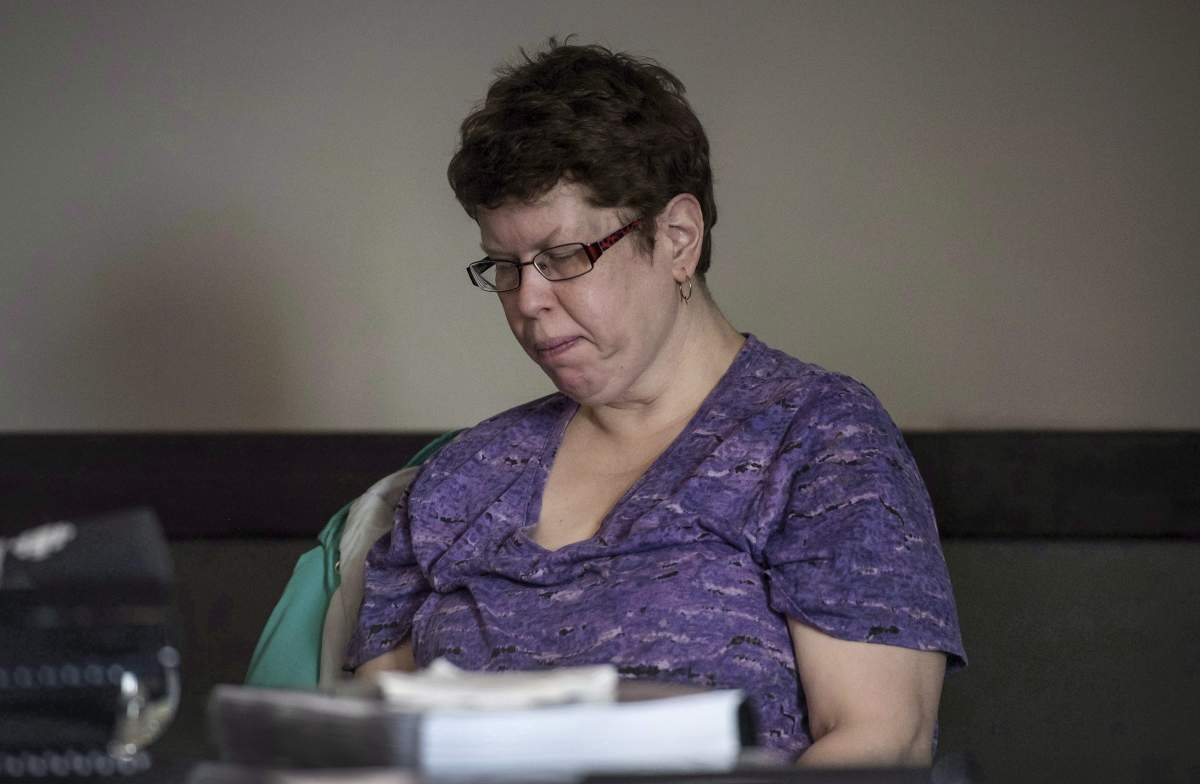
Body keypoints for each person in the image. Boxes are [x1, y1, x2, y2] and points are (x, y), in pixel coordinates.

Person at [347, 40, 965, 766]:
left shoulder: (820, 441)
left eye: (563, 257)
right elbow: (374, 739)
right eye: (506, 267)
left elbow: (880, 742)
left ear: (677, 238)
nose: (530, 302)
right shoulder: (465, 476)